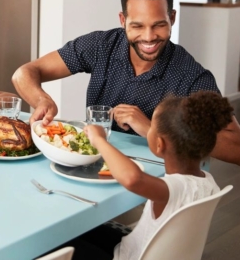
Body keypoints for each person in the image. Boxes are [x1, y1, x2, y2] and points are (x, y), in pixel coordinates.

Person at [12, 0, 240, 165]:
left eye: (159, 25)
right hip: (91, 165)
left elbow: (236, 146)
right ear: (123, 20)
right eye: (137, 26)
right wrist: (41, 100)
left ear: (172, 18)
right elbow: (25, 72)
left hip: (152, 183)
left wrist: (153, 129)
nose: (149, 37)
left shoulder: (191, 76)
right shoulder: (101, 45)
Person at [68, 91, 233, 260]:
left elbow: (133, 178)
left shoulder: (174, 188)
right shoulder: (207, 181)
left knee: (64, 243)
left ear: (160, 144)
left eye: (152, 127)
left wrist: (99, 140)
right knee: (79, 232)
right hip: (141, 250)